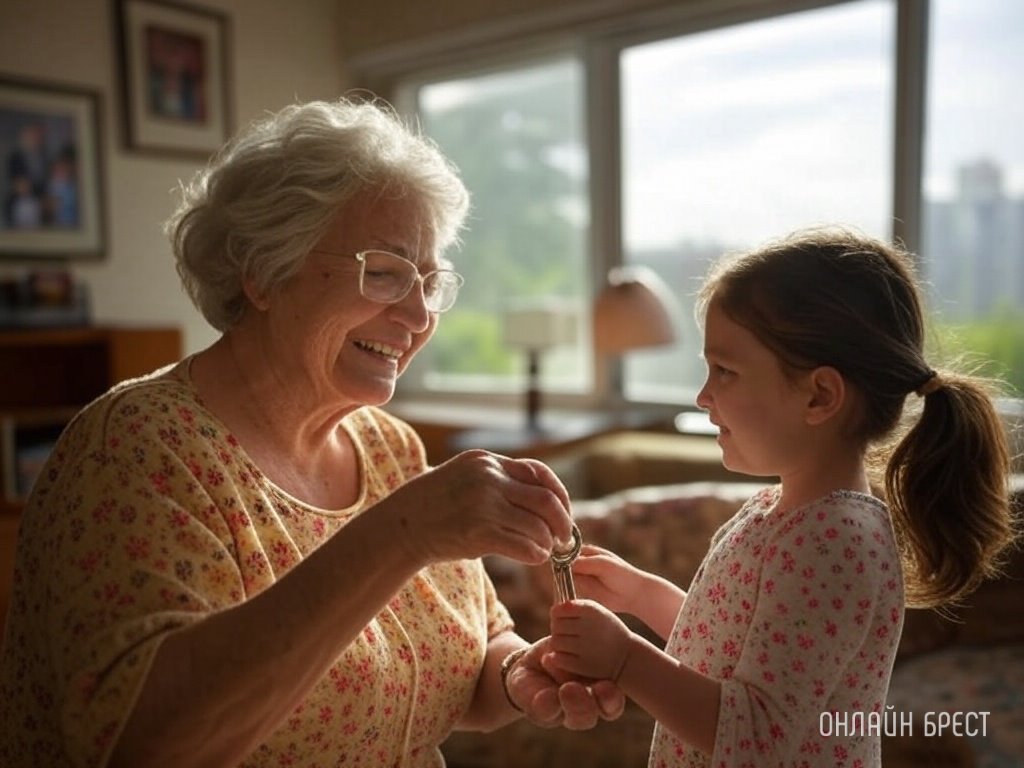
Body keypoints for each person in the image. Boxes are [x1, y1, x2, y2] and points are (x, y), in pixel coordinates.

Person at [0, 97, 623, 768]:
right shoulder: (137, 449)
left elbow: (469, 656)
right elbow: (145, 745)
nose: (419, 316)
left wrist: (518, 674)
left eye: (430, 281)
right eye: (384, 273)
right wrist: (402, 533)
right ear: (266, 273)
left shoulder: (389, 446)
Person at [547, 227, 1016, 766]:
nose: (703, 395)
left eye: (725, 370)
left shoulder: (834, 543)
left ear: (819, 395)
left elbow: (756, 735)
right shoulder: (779, 512)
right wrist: (640, 595)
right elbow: (731, 652)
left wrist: (626, 660)